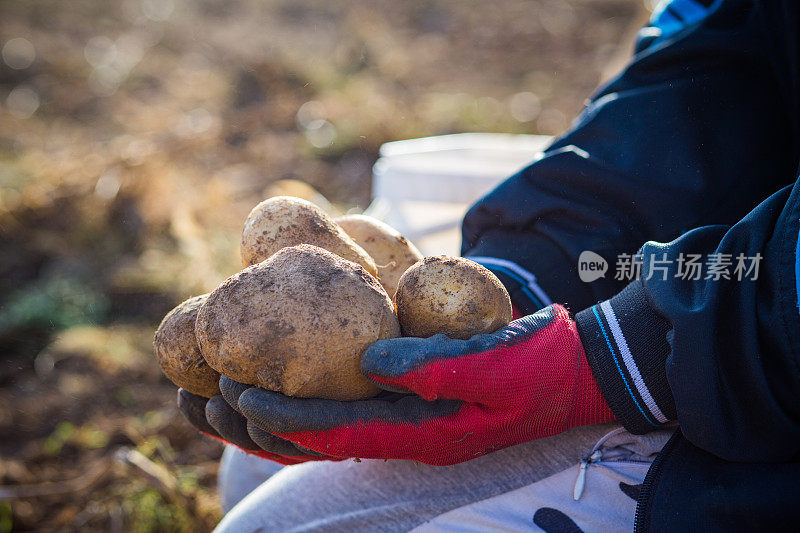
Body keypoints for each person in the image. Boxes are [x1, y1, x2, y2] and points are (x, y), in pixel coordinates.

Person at [179, 0, 800, 530]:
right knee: (253, 466)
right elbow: (724, 69)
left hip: (770, 404)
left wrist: (627, 356)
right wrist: (536, 269)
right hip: (741, 285)